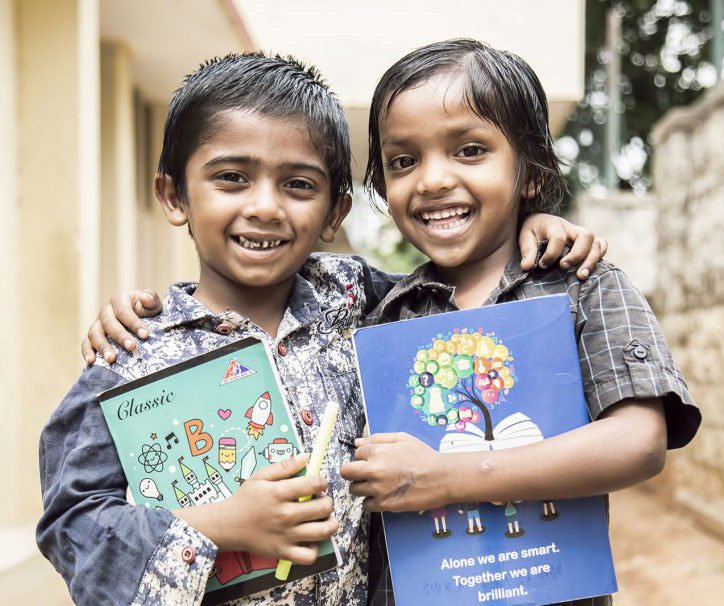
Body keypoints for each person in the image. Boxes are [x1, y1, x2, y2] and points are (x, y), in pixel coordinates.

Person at [40, 51, 607, 606]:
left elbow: (464, 288)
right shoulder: (135, 351)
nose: (266, 207)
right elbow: (72, 522)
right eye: (232, 178)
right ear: (173, 195)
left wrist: (528, 225)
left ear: (336, 212)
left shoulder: (363, 301)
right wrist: (219, 523)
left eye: (298, 185)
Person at [335, 39, 701, 606]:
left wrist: (445, 476)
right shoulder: (381, 316)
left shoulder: (583, 285)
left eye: (469, 150)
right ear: (383, 188)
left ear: (529, 173)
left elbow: (640, 441)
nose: (431, 180)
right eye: (404, 161)